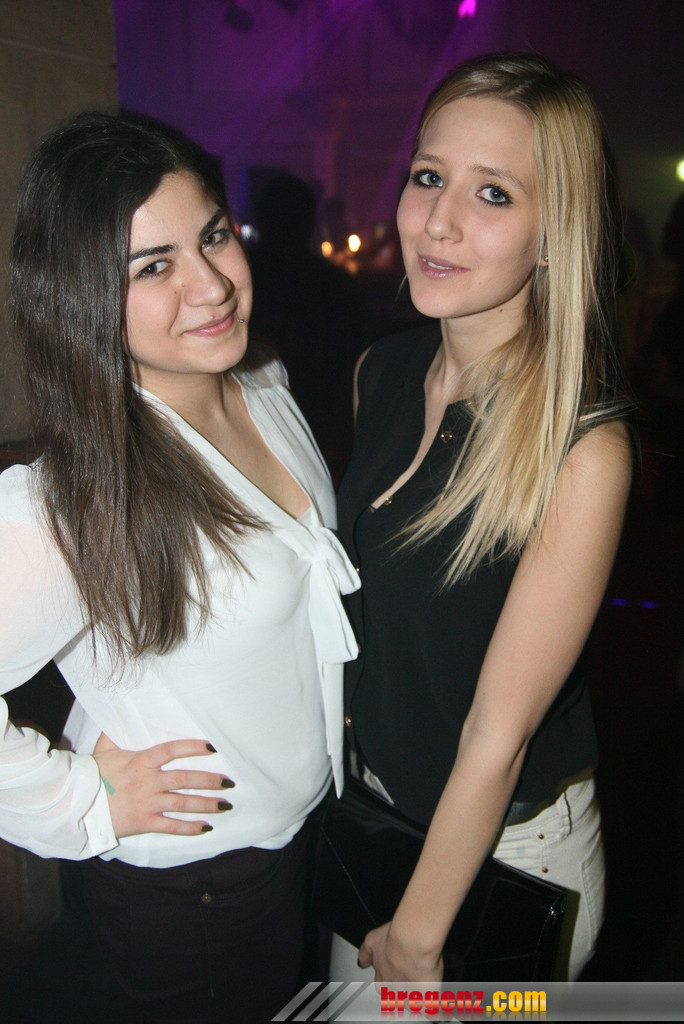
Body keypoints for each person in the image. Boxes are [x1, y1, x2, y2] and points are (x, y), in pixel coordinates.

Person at [0, 111, 359, 1023]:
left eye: (213, 235)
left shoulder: (262, 381)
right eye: (152, 267)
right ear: (80, 296)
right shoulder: (73, 498)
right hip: (198, 890)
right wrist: (82, 801)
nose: (212, 284)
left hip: (296, 835)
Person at [334, 53, 633, 983]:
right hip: (380, 819)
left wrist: (420, 934)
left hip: (505, 857)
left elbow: (497, 737)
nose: (439, 220)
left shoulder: (580, 448)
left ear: (555, 234)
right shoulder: (380, 372)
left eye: (493, 193)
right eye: (429, 177)